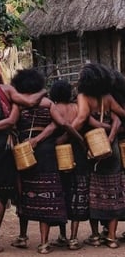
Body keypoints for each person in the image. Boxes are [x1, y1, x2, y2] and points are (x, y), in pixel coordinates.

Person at [0, 62, 47, 250]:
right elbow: (15, 117)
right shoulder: (7, 90)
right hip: (3, 147)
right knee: (1, 196)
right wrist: (44, 91)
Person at [11, 68, 67, 255]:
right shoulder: (48, 103)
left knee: (24, 191)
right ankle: (43, 243)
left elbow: (11, 124)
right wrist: (42, 136)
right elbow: (60, 123)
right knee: (46, 191)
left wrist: (28, 139)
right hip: (46, 151)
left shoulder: (18, 104)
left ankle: (22, 236)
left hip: (23, 152)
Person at [71, 63, 125, 249]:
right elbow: (121, 114)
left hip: (94, 150)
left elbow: (81, 119)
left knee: (94, 194)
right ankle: (111, 237)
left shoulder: (83, 97)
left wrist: (64, 135)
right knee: (113, 193)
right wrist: (112, 130)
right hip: (113, 150)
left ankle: (95, 236)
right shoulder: (108, 97)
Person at [49, 80, 89, 250]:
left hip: (60, 154)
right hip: (79, 154)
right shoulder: (76, 108)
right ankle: (73, 238)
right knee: (77, 194)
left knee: (62, 193)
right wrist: (81, 141)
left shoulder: (54, 108)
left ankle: (63, 235)